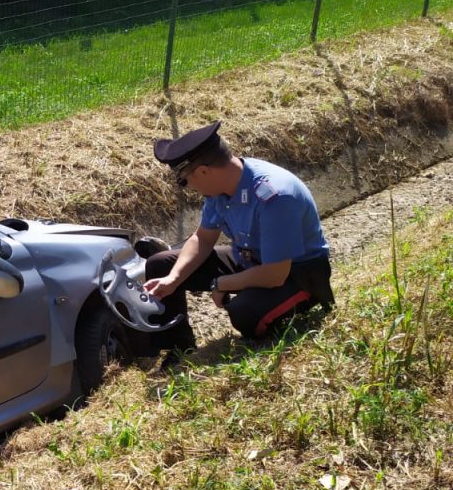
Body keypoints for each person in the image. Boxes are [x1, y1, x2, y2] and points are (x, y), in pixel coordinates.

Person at [142, 120, 334, 363]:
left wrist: (220, 283)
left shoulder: (274, 196)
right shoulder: (222, 187)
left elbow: (275, 274)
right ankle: (179, 348)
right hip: (252, 258)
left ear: (203, 171)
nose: (187, 187)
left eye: (183, 181)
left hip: (297, 273)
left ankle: (291, 308)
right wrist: (173, 278)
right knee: (161, 265)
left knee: (244, 314)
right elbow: (203, 238)